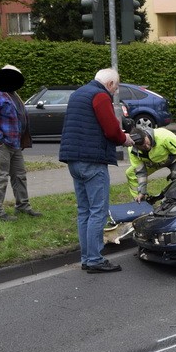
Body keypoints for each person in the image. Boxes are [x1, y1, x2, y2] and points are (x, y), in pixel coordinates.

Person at [59, 68, 135, 274]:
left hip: (73, 158)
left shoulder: (78, 94)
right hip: (92, 160)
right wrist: (124, 138)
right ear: (109, 84)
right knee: (98, 211)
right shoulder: (100, 95)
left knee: (84, 210)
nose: (114, 92)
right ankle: (94, 259)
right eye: (115, 88)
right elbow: (111, 129)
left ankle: (86, 257)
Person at [0, 64, 41, 221]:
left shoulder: (12, 93)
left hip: (15, 143)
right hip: (3, 144)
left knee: (20, 175)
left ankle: (23, 206)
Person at [125, 125, 176, 202]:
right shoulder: (132, 150)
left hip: (173, 159)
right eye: (142, 147)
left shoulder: (164, 136)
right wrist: (142, 191)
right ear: (135, 146)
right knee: (131, 173)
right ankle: (139, 200)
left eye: (146, 142)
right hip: (152, 164)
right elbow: (141, 172)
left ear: (145, 135)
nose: (147, 146)